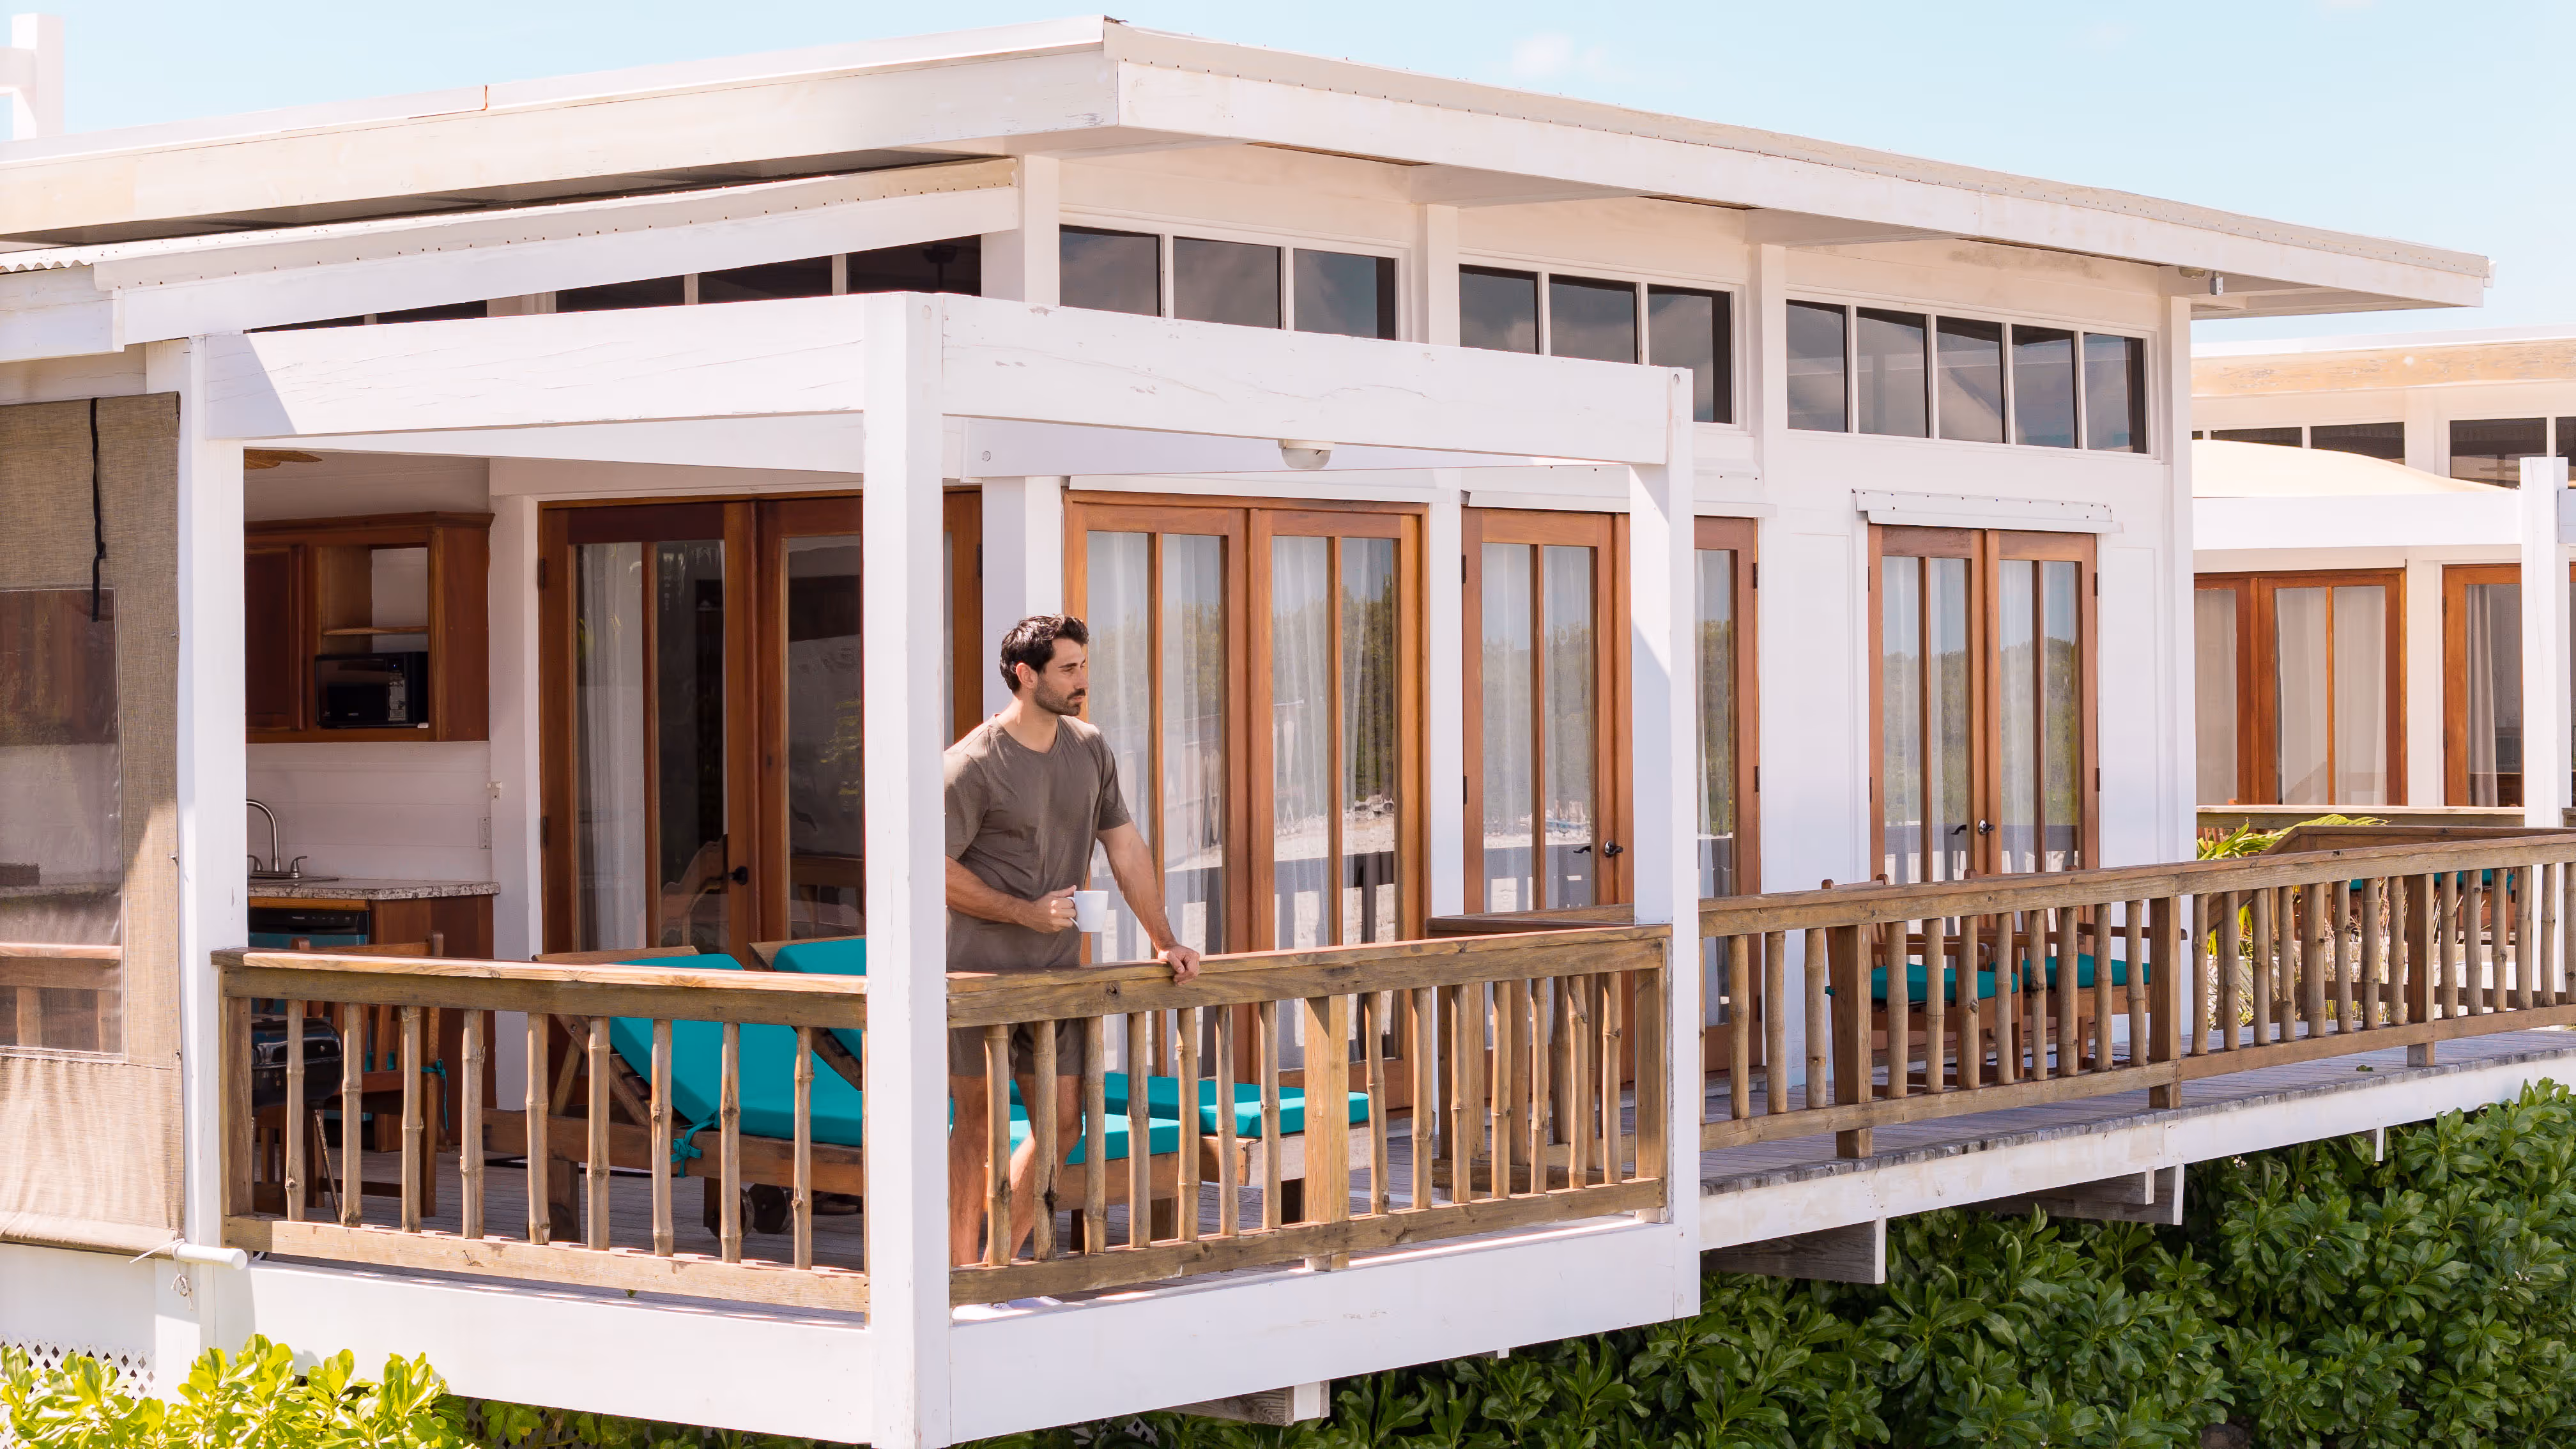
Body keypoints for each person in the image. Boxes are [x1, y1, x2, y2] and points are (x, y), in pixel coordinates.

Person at [945, 613, 1201, 1268]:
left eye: (1084, 665)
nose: (1082, 680)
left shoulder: (1089, 748)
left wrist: (1165, 940)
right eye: (1068, 669)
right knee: (976, 1129)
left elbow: (1126, 849)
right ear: (1026, 676)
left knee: (1062, 1126)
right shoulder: (972, 765)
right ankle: (955, 1271)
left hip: (1055, 978)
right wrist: (1023, 913)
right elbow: (930, 871)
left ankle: (993, 1261)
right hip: (975, 985)